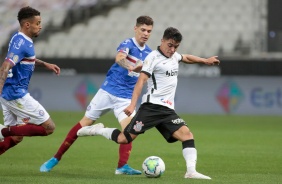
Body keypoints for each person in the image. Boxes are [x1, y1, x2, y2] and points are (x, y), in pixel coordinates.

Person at [77, 27, 220, 179]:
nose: (172, 49)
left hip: (167, 110)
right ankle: (97, 130)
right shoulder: (153, 57)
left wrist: (205, 60)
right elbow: (141, 81)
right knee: (124, 139)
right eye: (170, 45)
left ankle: (191, 172)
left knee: (187, 135)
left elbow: (186, 58)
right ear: (162, 41)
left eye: (175, 46)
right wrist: (132, 105)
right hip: (151, 108)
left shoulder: (173, 56)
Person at [40, 16, 154, 174]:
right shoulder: (127, 44)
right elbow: (120, 59)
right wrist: (132, 66)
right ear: (135, 29)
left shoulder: (149, 53)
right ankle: (55, 158)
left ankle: (122, 166)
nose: (146, 33)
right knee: (83, 123)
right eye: (143, 29)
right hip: (107, 92)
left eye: (149, 31)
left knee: (130, 131)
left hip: (126, 98)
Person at [0, 6, 60, 155]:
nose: (40, 26)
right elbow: (5, 66)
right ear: (27, 24)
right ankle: (2, 131)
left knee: (17, 136)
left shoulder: (18, 38)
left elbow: (26, 58)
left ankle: (4, 132)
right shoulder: (22, 43)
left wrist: (45, 64)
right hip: (16, 94)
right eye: (38, 23)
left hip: (9, 93)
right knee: (49, 127)